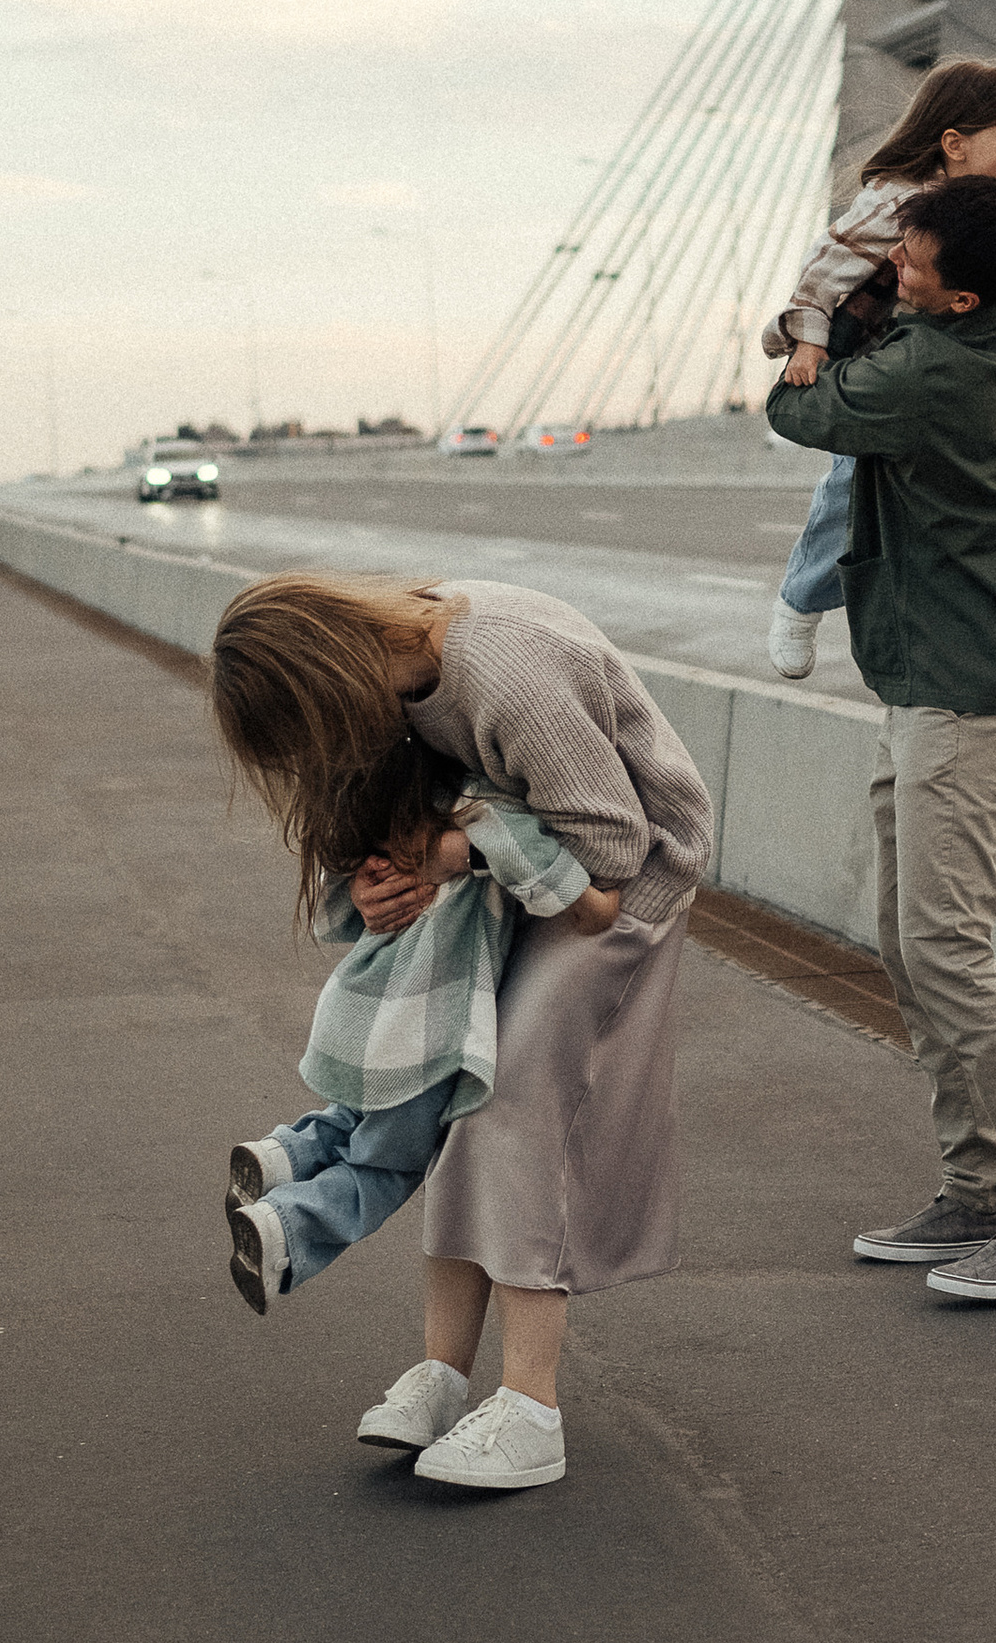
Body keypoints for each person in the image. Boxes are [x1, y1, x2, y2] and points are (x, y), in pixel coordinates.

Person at [209, 572, 713, 1493]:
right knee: (450, 1092)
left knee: (512, 1108)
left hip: (626, 886)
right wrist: (379, 882)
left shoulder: (506, 675)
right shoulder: (399, 665)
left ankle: (532, 1407)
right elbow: (431, 820)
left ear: (328, 684)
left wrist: (448, 852)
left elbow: (610, 858)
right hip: (518, 872)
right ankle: (445, 1375)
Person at [767, 171, 996, 1307]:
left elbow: (796, 413)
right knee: (909, 945)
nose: (890, 270)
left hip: (961, 695)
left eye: (908, 265)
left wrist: (812, 334)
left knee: (949, 952)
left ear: (963, 297)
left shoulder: (930, 370)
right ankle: (975, 1188)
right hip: (930, 679)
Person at [222, 742, 591, 1312]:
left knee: (359, 1118)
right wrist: (603, 899)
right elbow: (554, 886)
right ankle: (284, 1231)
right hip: (423, 1038)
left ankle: (279, 1158)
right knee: (384, 1169)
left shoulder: (385, 818)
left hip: (359, 1018)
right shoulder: (484, 816)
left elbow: (334, 916)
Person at [763, 55, 996, 681]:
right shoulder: (897, 199)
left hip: (954, 358)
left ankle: (921, 621)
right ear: (954, 144)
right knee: (848, 492)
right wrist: (809, 341)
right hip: (881, 355)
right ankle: (801, 600)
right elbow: (826, 266)